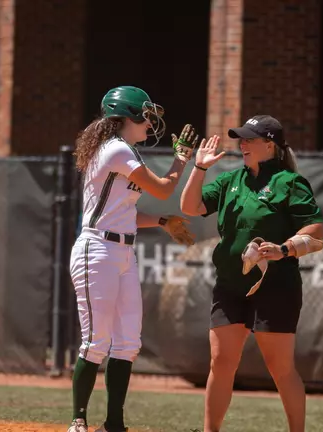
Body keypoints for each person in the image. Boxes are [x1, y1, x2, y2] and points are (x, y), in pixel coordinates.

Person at [180, 115, 323, 432]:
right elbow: (190, 208)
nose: (242, 144)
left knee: (280, 367)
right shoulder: (232, 180)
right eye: (241, 138)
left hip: (276, 286)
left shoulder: (289, 182)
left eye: (249, 139)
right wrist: (199, 167)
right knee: (220, 362)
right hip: (231, 284)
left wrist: (284, 248)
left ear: (269, 145)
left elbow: (316, 230)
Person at [67, 85, 199, 432]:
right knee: (96, 340)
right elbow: (163, 188)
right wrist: (181, 159)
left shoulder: (124, 151)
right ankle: (78, 420)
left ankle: (114, 423)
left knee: (127, 343)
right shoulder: (114, 150)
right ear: (129, 116)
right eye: (146, 114)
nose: (151, 121)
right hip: (97, 250)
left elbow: (126, 213)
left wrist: (161, 221)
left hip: (122, 250)